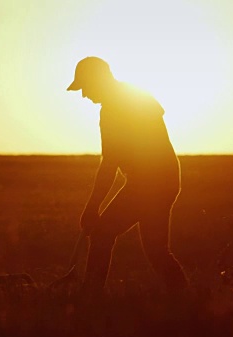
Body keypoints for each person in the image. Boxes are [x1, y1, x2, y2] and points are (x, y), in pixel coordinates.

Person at [66, 56, 188, 292]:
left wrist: (93, 207)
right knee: (156, 250)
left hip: (150, 182)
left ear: (97, 80)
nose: (84, 95)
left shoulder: (114, 109)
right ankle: (184, 297)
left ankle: (90, 297)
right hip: (164, 178)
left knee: (102, 234)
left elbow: (109, 164)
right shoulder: (134, 96)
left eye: (85, 87)